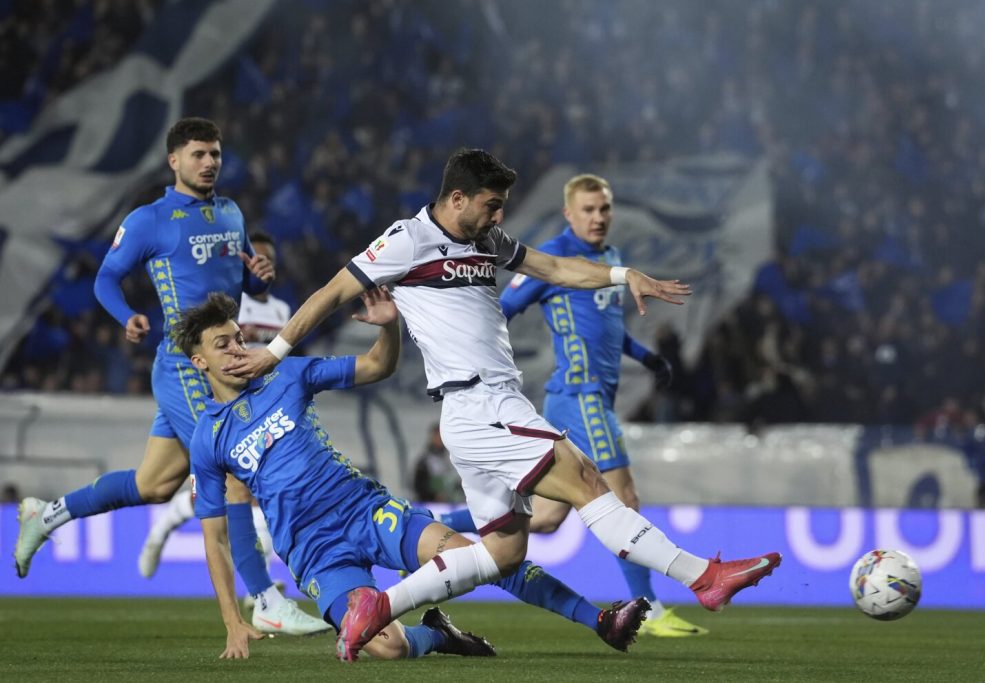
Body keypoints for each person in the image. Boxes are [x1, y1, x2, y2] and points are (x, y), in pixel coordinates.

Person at [222, 148, 781, 660]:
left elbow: (555, 268)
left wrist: (621, 273)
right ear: (457, 198)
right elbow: (328, 295)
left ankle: (382, 606)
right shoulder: (406, 240)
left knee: (506, 553)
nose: (498, 217)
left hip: (480, 408)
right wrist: (274, 352)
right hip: (480, 402)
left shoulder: (487, 240)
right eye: (491, 205)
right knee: (587, 480)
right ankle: (703, 577)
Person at [182, 290, 650, 659]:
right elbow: (214, 535)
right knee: (384, 645)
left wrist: (390, 328)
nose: (237, 348)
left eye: (239, 338)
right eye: (222, 344)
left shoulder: (285, 375)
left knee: (487, 557)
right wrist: (231, 620)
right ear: (200, 361)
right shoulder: (208, 437)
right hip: (314, 551)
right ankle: (440, 637)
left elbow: (376, 366)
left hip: (365, 509)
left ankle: (601, 621)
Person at [13, 118, 328, 636]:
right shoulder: (148, 220)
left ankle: (44, 516)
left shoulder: (231, 212)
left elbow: (236, 275)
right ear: (174, 161)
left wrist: (257, 277)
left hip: (226, 366)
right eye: (199, 154)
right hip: (185, 366)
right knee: (236, 468)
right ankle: (266, 599)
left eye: (216, 155)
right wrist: (127, 317)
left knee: (154, 485)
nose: (209, 163)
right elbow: (106, 278)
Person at [440, 174, 706, 637]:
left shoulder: (610, 259)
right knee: (624, 498)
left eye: (604, 209)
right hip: (580, 395)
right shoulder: (554, 259)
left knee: (544, 517)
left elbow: (605, 328)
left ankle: (438, 525)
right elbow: (501, 309)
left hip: (588, 398)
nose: (599, 217)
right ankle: (652, 611)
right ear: (569, 213)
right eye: (588, 210)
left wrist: (645, 357)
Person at [137, 230, 290, 581]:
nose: (260, 264)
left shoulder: (282, 310)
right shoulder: (232, 305)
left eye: (268, 259)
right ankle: (163, 529)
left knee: (260, 490)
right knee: (224, 486)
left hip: (260, 403)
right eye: (254, 257)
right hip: (223, 400)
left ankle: (262, 588)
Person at [411, 423, 463, 503]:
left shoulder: (452, 456)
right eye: (436, 436)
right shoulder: (424, 459)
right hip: (430, 504)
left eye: (441, 436)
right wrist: (434, 496)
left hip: (452, 503)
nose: (439, 439)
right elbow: (418, 485)